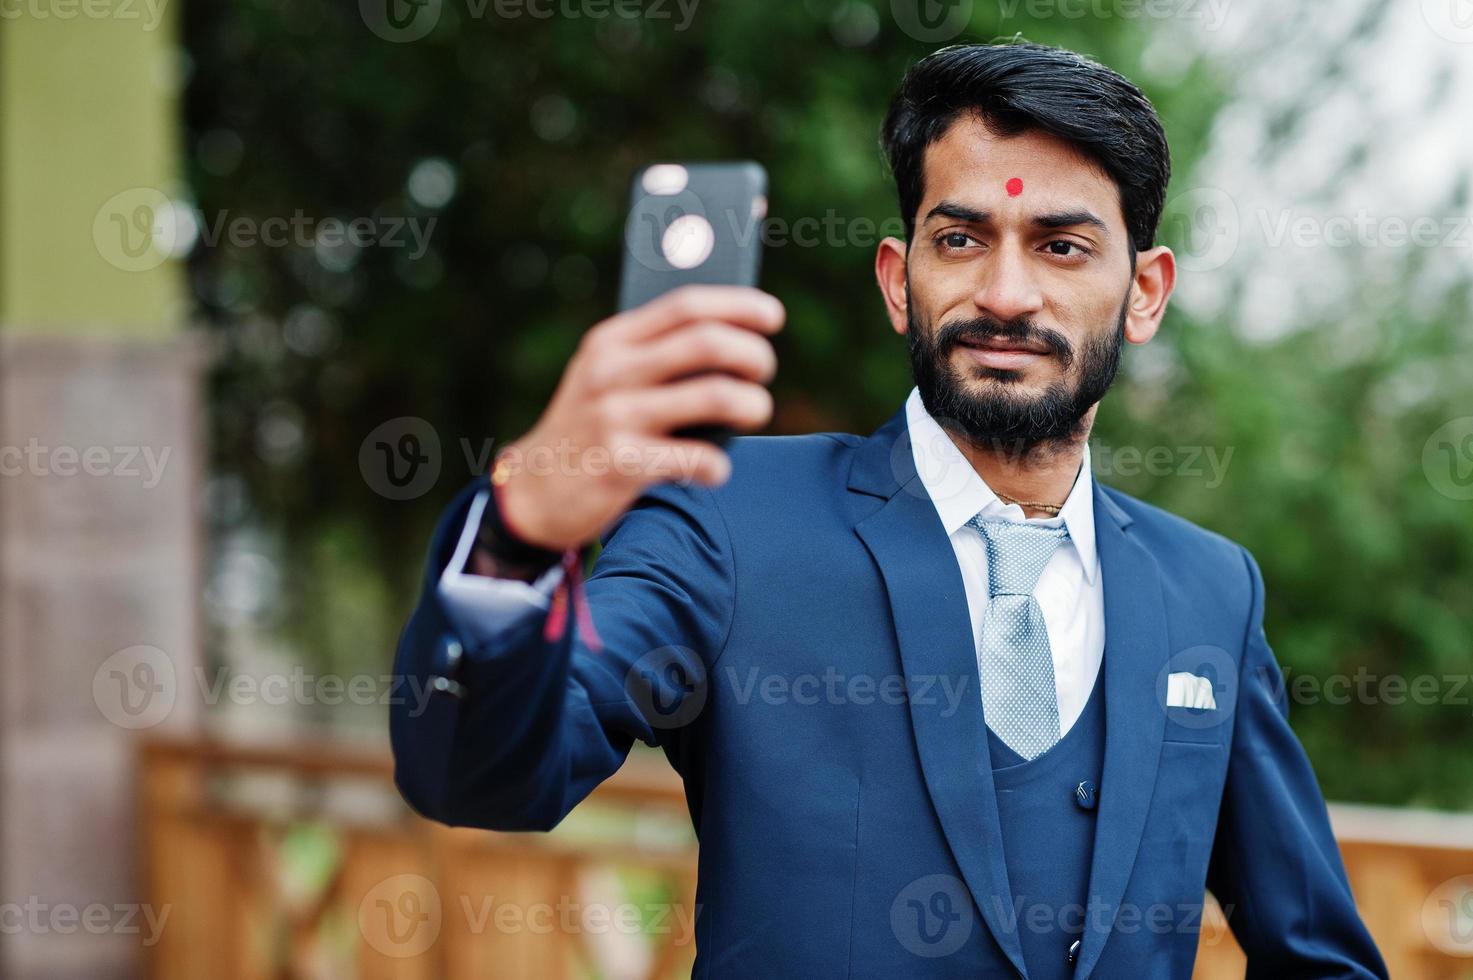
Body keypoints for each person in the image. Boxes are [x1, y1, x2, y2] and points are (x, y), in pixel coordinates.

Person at [391, 40, 1387, 978]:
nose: (1006, 292)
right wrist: (520, 532)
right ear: (898, 280)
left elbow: (1321, 954)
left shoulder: (1210, 589)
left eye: (1063, 246)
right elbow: (476, 778)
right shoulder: (725, 520)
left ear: (1145, 292)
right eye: (960, 238)